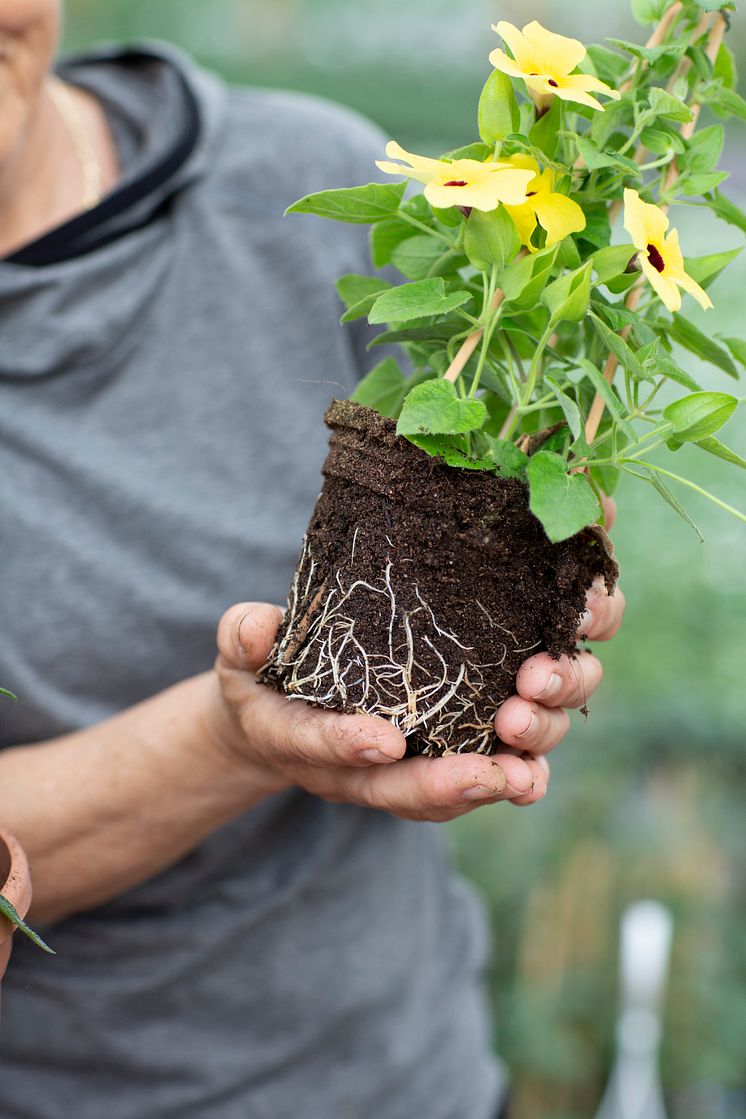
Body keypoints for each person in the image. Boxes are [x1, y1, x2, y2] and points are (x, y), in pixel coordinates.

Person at [0, 3, 625, 1116]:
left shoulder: (303, 181)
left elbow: (499, 472)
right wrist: (230, 737)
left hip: (402, 1076)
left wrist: (551, 568)